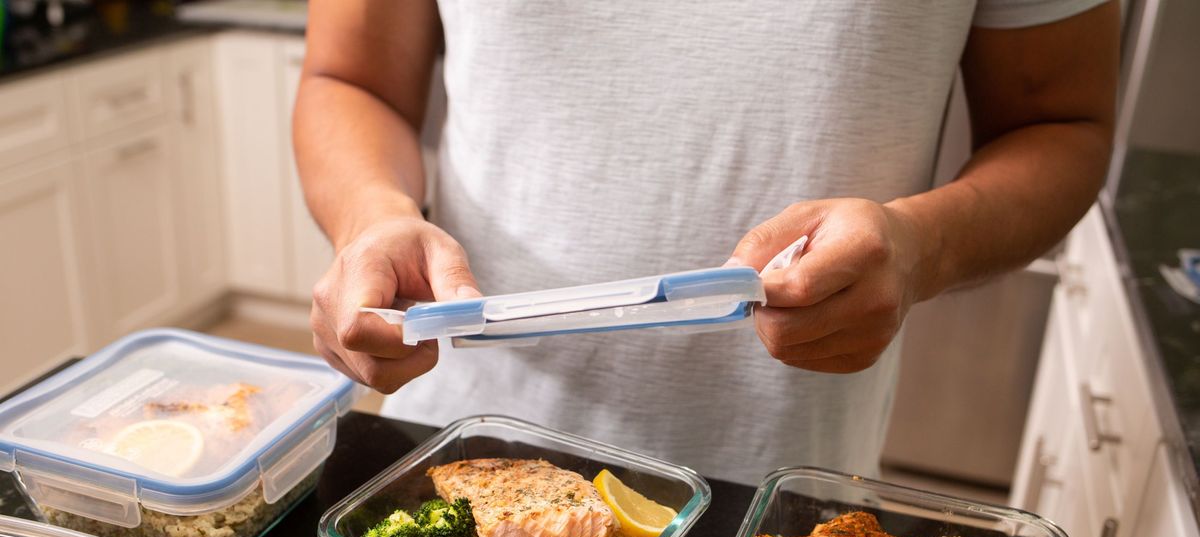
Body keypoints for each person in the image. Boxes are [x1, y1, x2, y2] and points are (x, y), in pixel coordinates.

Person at [294, 1, 1118, 484]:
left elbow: (1062, 124)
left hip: (774, 487)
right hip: (457, 450)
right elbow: (351, 77)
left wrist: (919, 248)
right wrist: (371, 218)